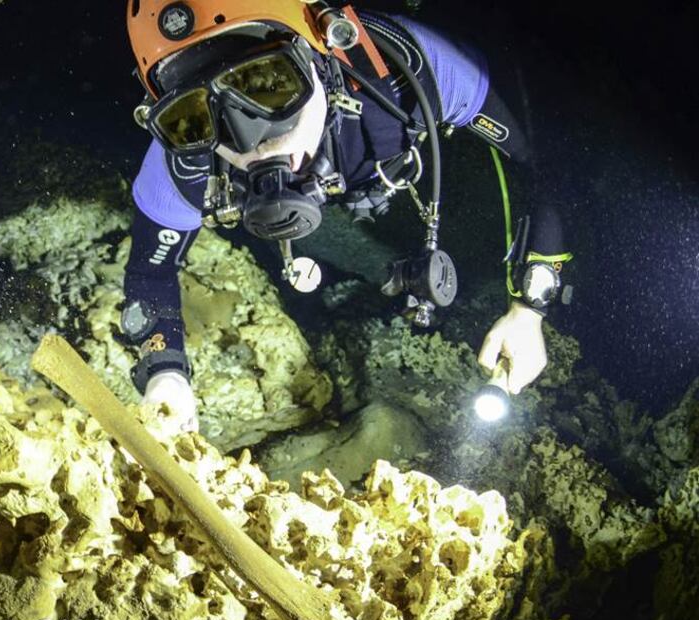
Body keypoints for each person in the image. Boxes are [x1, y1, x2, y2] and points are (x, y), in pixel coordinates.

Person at [122, 0, 573, 431]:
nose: (250, 142)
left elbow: (538, 168)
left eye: (267, 83)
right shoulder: (184, 159)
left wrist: (530, 308)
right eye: (197, 115)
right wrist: (165, 372)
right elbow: (150, 273)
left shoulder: (410, 70)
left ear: (317, 49)